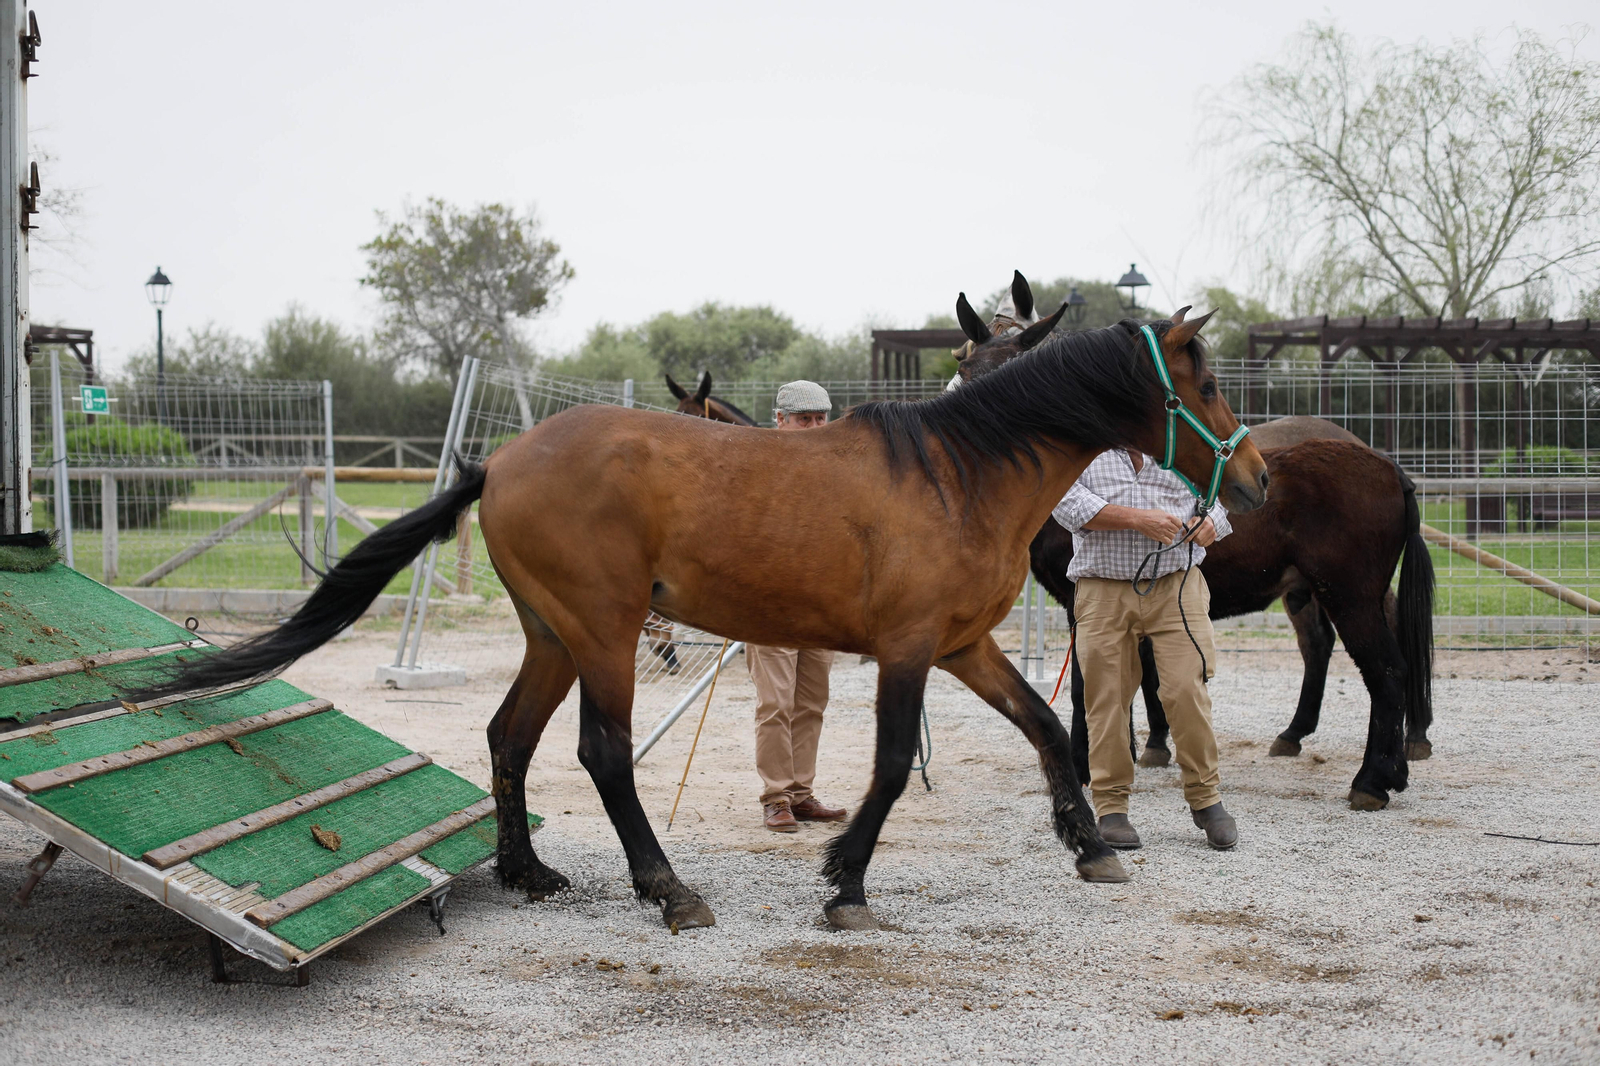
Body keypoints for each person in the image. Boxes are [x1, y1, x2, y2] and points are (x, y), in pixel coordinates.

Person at [1052, 448, 1239, 850]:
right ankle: (1111, 806)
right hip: (1102, 588)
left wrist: (1212, 524)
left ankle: (1206, 799)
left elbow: (1220, 498)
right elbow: (1064, 502)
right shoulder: (1082, 445)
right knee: (1106, 699)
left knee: (1186, 690)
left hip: (1176, 581)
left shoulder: (1179, 443)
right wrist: (1137, 519)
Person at [747, 380, 848, 833]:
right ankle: (776, 797)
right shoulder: (757, 468)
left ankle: (802, 794)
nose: (814, 426)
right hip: (769, 607)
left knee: (811, 703)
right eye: (804, 419)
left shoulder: (837, 471)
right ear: (781, 421)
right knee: (775, 704)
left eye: (820, 418)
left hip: (820, 607)